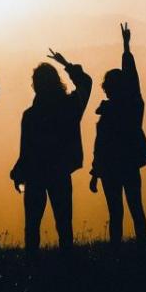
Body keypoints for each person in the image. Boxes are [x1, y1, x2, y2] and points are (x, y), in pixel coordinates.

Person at [10, 49, 92, 254]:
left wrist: (19, 172)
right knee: (64, 223)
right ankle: (67, 265)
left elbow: (26, 149)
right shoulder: (70, 106)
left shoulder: (30, 115)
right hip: (60, 171)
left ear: (35, 85)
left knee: (32, 225)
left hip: (35, 174)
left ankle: (32, 265)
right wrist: (67, 64)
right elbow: (86, 84)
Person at [88, 22, 146, 248]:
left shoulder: (113, 110)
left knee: (116, 212)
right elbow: (133, 80)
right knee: (136, 208)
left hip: (111, 168)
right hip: (129, 164)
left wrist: (96, 172)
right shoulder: (133, 105)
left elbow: (100, 146)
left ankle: (116, 252)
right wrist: (125, 47)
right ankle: (143, 248)